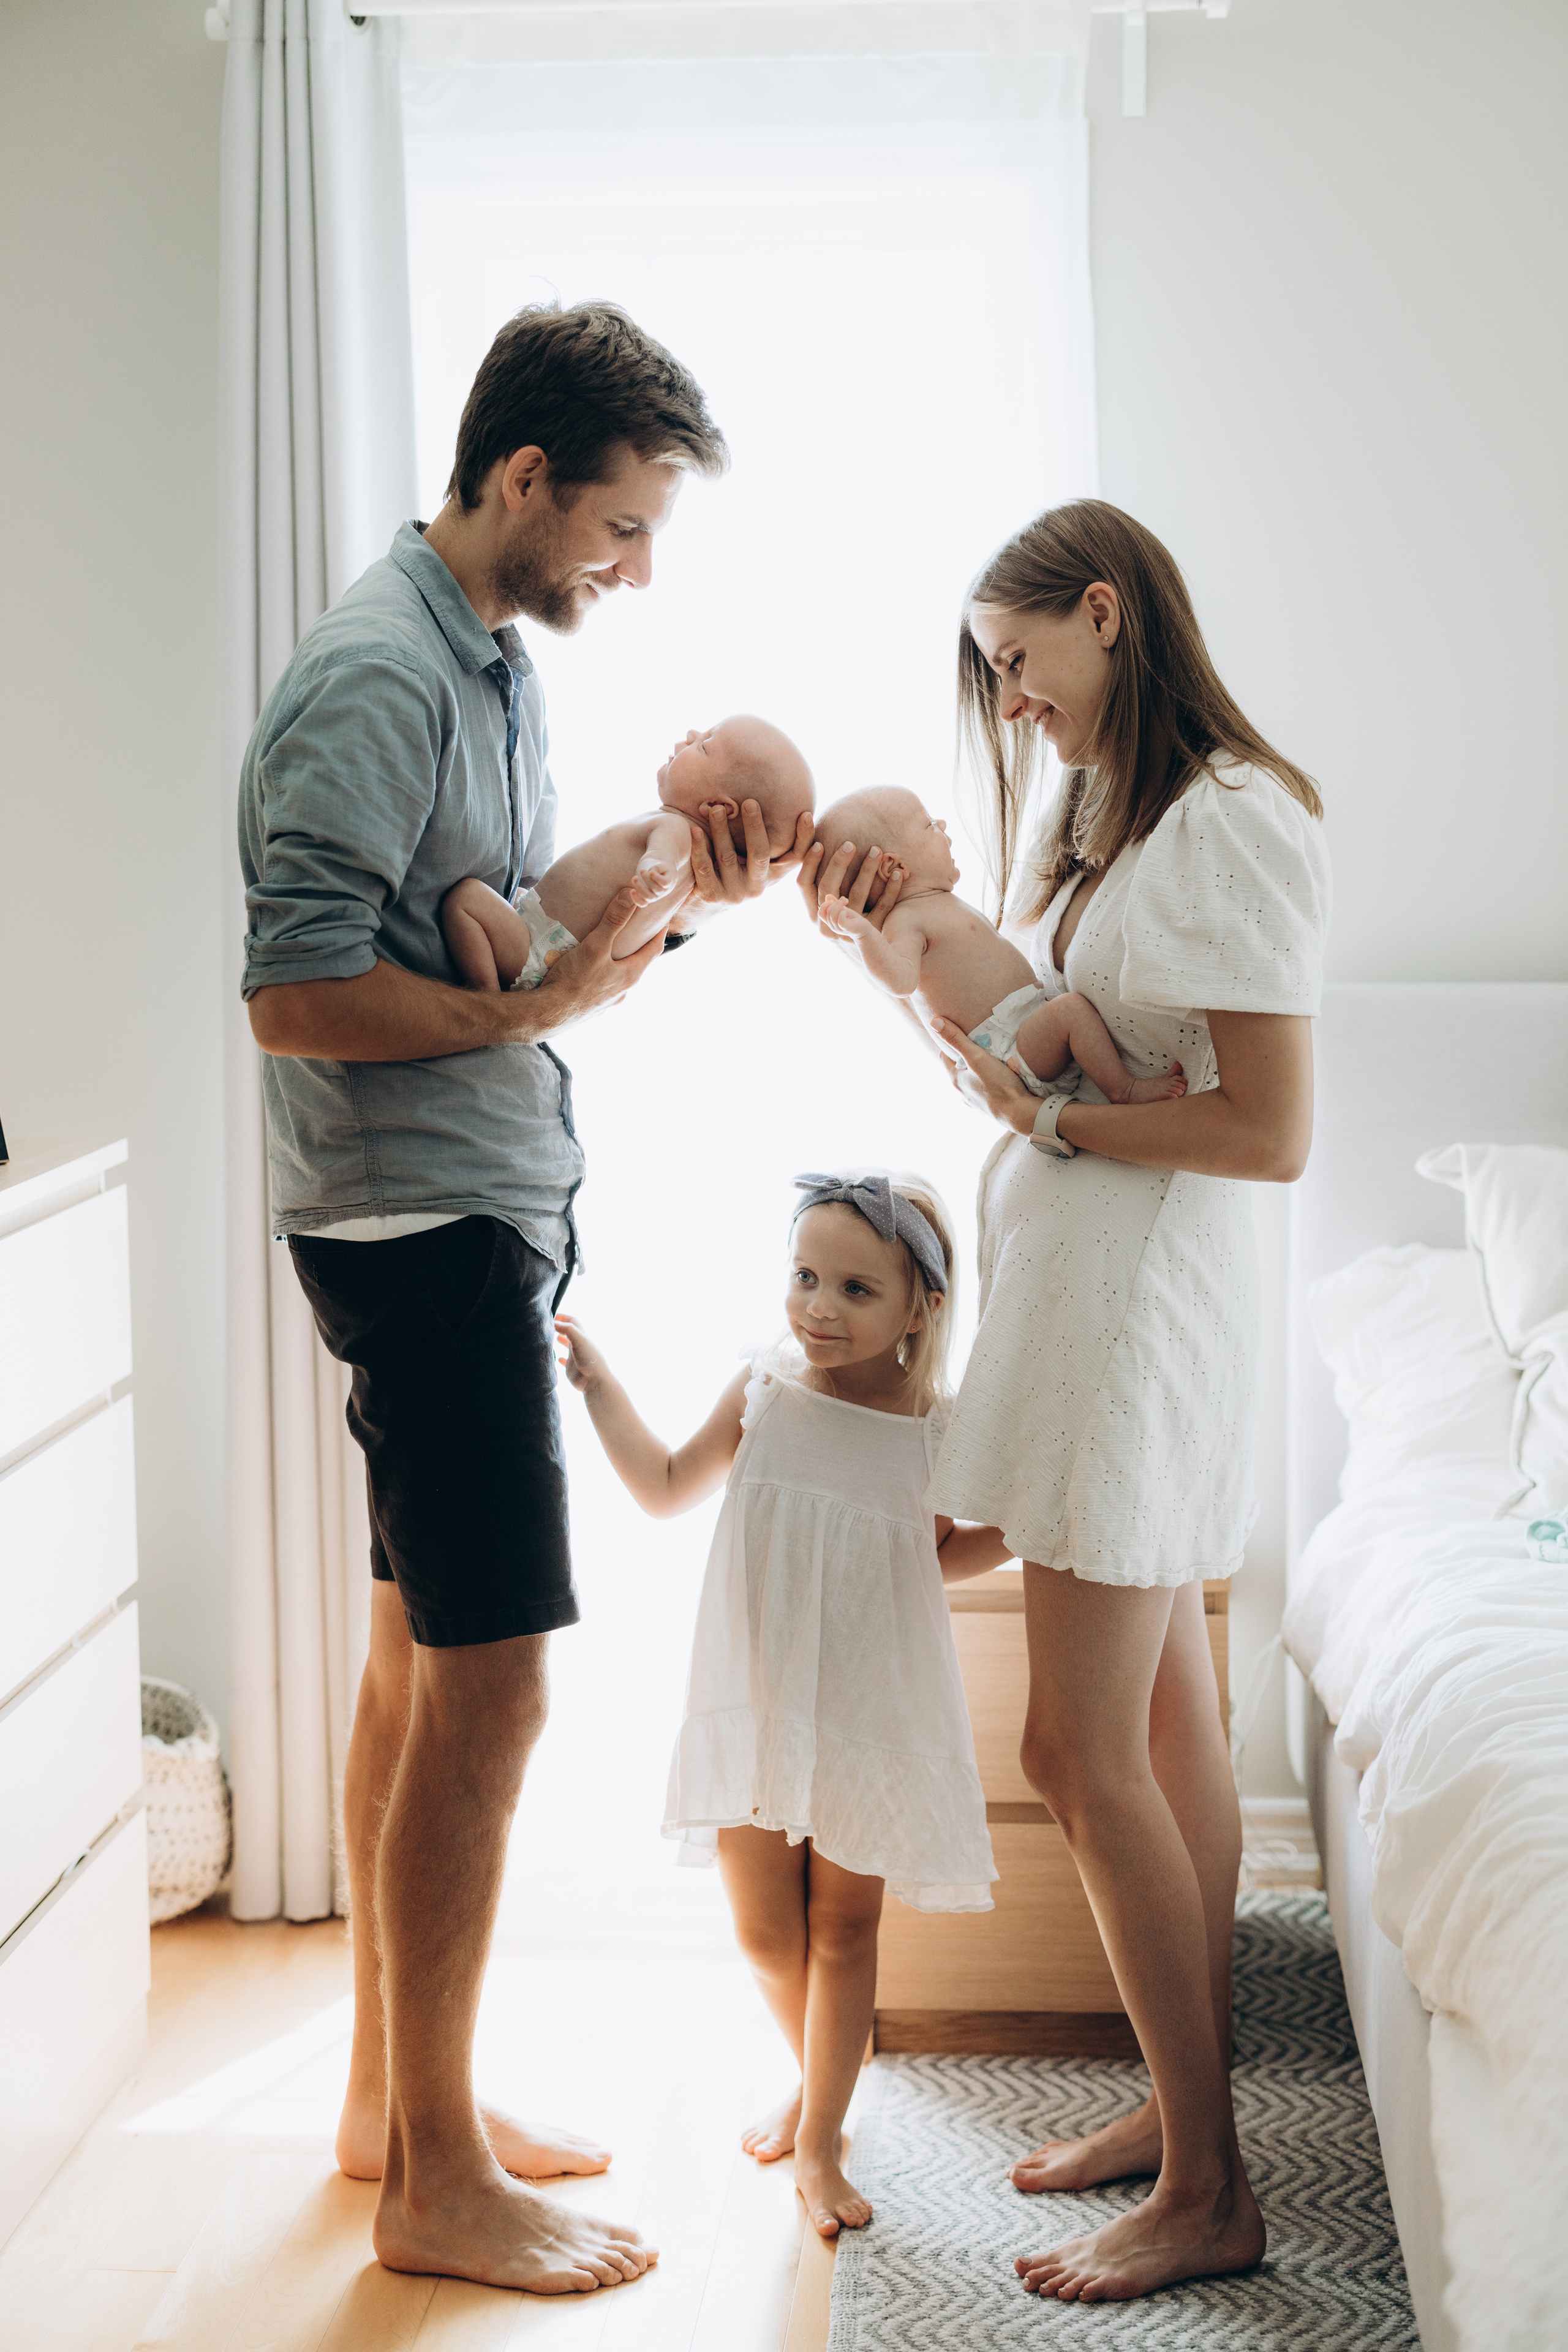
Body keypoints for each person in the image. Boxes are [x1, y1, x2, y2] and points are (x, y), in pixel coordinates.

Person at [238, 299, 812, 2296]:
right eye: (623, 523)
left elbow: (460, 913)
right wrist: (562, 995)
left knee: (416, 1666)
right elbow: (298, 991)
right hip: (424, 1243)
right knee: (494, 1684)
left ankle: (402, 2111)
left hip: (461, 1223)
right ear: (523, 479)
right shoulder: (384, 673)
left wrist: (654, 886)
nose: (632, 567)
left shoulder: (479, 657)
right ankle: (435, 2195)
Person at [801, 498, 1331, 2305]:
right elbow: (1032, 1038)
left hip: (1145, 1313)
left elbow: (1265, 1131)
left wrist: (1059, 1120)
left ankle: (1206, 2187)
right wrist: (932, 998)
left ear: (1107, 614)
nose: (1007, 699)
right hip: (1076, 1289)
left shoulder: (1240, 820)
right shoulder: (1081, 813)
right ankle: (1183, 2122)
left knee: (1071, 1748)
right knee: (1170, 1736)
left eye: (1019, 660)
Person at [554, 1172, 1006, 2241]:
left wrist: (1039, 1515)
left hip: (869, 1709)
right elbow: (665, 1486)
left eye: (855, 1288)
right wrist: (600, 1385)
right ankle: (821, 2081)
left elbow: (935, 1559)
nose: (817, 1307)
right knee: (765, 1933)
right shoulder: (765, 1389)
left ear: (920, 1307)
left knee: (846, 1927)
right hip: (758, 1698)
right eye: (804, 1276)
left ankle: (820, 2145)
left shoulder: (936, 1430)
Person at [812, 784, 1187, 1107]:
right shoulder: (906, 922)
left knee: (1070, 1013)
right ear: (892, 867)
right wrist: (864, 936)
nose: (943, 827)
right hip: (1009, 1052)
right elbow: (900, 981)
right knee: (1073, 1010)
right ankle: (1124, 1089)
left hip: (1025, 1031)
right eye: (929, 825)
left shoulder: (937, 903)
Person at [442, 715, 813, 992]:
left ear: (720, 807)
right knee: (506, 896)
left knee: (464, 899)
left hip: (534, 946)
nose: (691, 735)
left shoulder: (676, 830)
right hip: (551, 950)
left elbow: (667, 853)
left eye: (705, 745)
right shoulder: (694, 869)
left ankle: (488, 997)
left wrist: (656, 868)